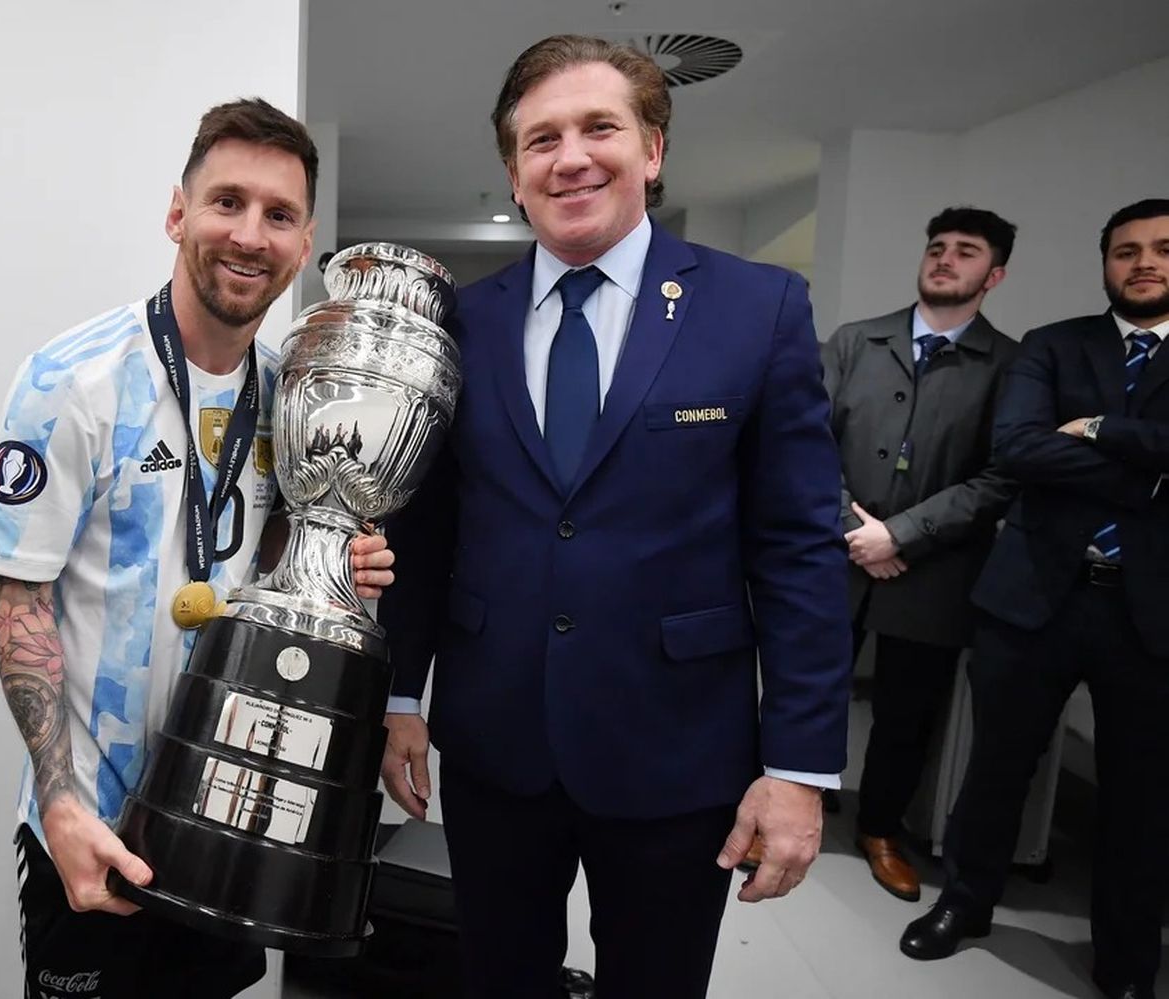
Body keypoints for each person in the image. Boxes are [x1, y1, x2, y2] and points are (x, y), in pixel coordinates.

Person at [376, 35, 850, 998]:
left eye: (601, 127)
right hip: (494, 739)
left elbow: (799, 548)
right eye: (540, 139)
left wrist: (799, 767)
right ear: (514, 172)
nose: (572, 157)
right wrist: (399, 697)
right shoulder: (462, 325)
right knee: (500, 978)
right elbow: (427, 531)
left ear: (654, 149)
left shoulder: (758, 309)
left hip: (677, 746)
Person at [0, 98, 395, 999]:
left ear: (304, 240)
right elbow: (18, 596)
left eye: (278, 215)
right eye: (226, 201)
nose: (250, 234)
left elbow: (274, 566)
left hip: (228, 818)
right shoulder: (72, 378)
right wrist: (59, 800)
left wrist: (334, 571)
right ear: (177, 213)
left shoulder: (294, 394)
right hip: (94, 824)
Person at [899, 199, 1169, 999]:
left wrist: (1100, 433)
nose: (1143, 262)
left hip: (1150, 612)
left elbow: (1054, 452)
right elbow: (1018, 447)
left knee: (1142, 795)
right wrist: (1153, 473)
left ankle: (1125, 958)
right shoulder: (1055, 345)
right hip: (1033, 596)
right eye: (1125, 251)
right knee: (995, 769)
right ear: (1106, 262)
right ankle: (966, 902)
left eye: (1159, 249)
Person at [819, 207, 1018, 901]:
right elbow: (802, 442)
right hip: (831, 556)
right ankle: (792, 804)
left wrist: (900, 534)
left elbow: (1002, 475)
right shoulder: (853, 342)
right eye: (937, 246)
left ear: (993, 275)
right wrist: (854, 528)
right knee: (807, 687)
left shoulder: (1010, 365)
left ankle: (879, 828)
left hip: (932, 571)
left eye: (965, 252)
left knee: (907, 712)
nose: (945, 259)